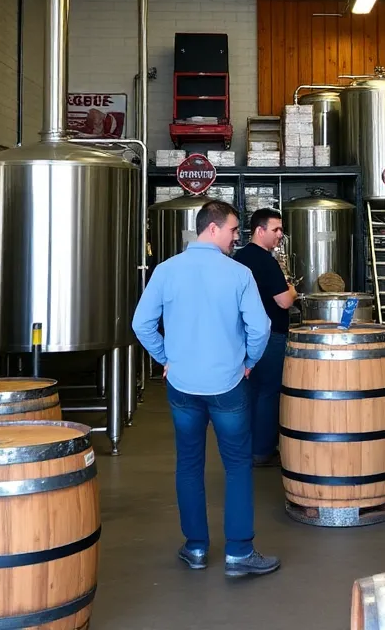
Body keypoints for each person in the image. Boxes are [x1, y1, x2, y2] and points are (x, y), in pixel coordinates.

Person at [132, 200, 280, 578]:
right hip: (228, 385)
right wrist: (248, 362)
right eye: (233, 230)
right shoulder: (238, 273)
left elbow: (141, 324)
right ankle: (239, 553)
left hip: (182, 386)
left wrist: (167, 358)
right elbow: (260, 329)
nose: (236, 238)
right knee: (236, 467)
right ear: (212, 228)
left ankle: (196, 547)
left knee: (189, 465)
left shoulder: (165, 271)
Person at [234, 208, 298, 468]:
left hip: (245, 336)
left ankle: (249, 447)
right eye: (276, 230)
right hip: (271, 337)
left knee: (250, 392)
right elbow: (283, 302)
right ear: (260, 230)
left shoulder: (239, 258)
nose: (280, 235)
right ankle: (263, 450)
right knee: (269, 393)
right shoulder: (266, 261)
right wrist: (293, 290)